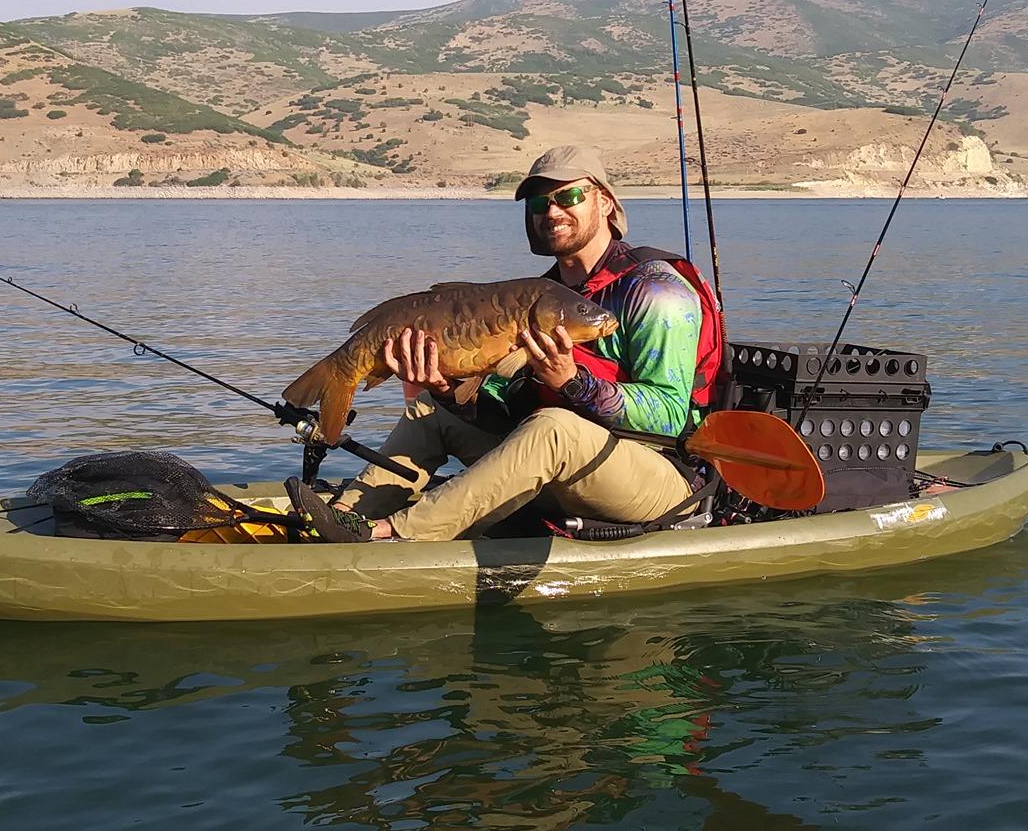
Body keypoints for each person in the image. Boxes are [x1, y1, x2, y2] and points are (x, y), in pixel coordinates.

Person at [287, 144, 726, 542]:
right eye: (540, 202)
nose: (552, 211)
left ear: (606, 202)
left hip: (659, 477)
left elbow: (668, 417)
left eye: (568, 196)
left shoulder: (657, 293)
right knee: (430, 412)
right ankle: (339, 519)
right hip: (559, 467)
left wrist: (575, 383)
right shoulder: (540, 298)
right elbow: (502, 402)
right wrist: (446, 389)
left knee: (553, 428)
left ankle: (393, 535)